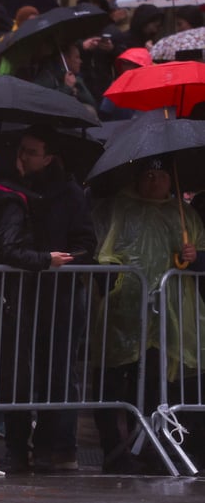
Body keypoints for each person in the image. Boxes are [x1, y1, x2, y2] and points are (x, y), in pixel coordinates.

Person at [0, 163, 73, 474]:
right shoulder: (11, 204)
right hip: (3, 303)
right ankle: (9, 453)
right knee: (8, 380)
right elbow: (7, 249)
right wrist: (46, 259)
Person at [91, 154, 205, 473]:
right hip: (121, 314)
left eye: (161, 176)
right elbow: (104, 253)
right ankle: (114, 451)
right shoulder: (119, 208)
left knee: (153, 386)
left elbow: (200, 259)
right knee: (113, 383)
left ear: (171, 180)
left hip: (164, 318)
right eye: (148, 176)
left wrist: (194, 257)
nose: (153, 182)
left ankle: (149, 448)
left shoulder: (184, 215)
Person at [15, 128, 97, 472]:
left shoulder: (69, 193)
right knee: (34, 369)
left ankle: (61, 445)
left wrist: (64, 260)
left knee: (60, 370)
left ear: (48, 157)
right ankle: (39, 442)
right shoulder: (20, 189)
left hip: (62, 292)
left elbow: (85, 243)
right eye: (22, 151)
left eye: (31, 152)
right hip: (30, 290)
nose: (23, 157)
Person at [75, 0, 126, 105]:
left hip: (104, 83)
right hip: (80, 82)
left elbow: (123, 57)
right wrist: (82, 46)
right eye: (89, 2)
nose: (92, 6)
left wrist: (112, 49)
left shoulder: (111, 29)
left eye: (95, 3)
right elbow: (64, 49)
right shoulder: (74, 28)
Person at [33, 42, 97, 115]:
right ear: (65, 59)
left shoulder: (75, 77)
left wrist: (78, 87)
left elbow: (92, 103)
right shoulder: (47, 78)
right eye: (77, 57)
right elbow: (44, 104)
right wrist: (67, 88)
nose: (80, 61)